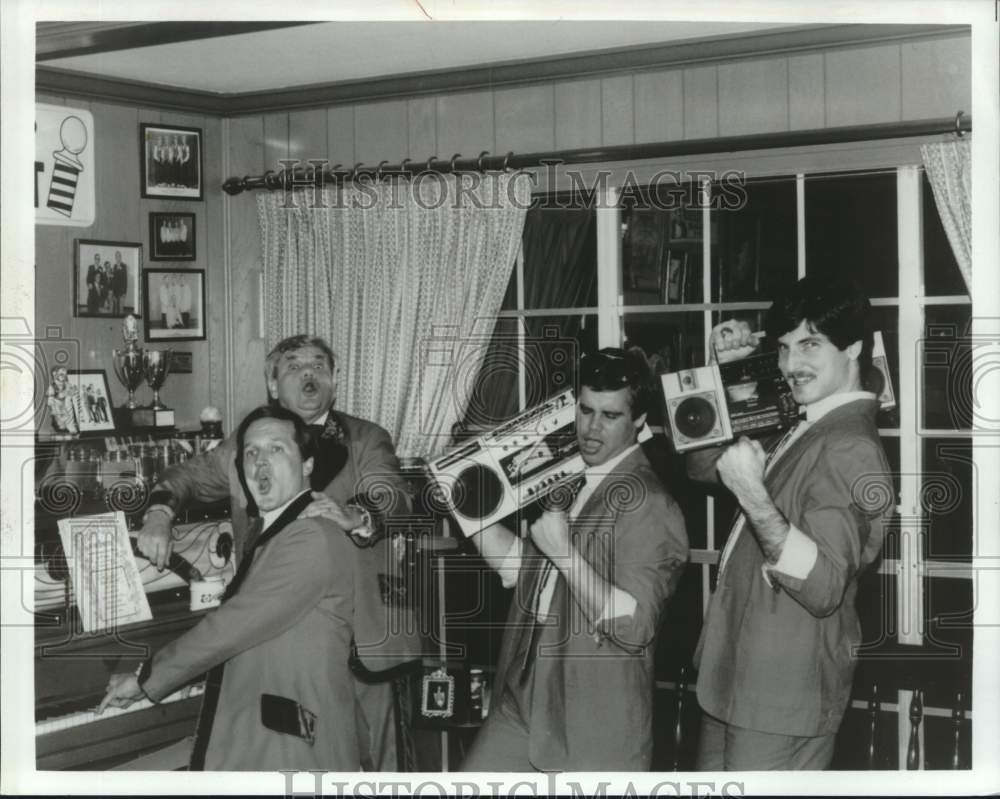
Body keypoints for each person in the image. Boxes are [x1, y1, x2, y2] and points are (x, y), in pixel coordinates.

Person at [136, 334, 418, 770]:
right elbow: (184, 476)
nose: (308, 375)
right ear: (272, 384)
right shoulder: (244, 446)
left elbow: (394, 496)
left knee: (382, 769)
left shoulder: (365, 438)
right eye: (293, 367)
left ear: (335, 379)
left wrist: (357, 514)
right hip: (281, 640)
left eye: (319, 366)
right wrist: (158, 513)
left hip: (365, 640)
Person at [688, 275, 894, 770]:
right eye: (782, 348)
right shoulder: (808, 424)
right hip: (738, 681)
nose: (790, 365)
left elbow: (822, 585)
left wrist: (754, 496)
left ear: (854, 348)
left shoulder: (849, 445)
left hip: (780, 699)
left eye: (809, 345)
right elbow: (699, 468)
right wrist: (725, 374)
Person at [459, 348, 689, 772]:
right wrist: (472, 512)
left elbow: (634, 626)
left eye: (610, 415)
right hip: (522, 699)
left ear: (638, 421)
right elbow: (530, 575)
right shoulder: (578, 474)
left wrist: (563, 552)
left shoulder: (650, 503)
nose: (591, 428)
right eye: (585, 410)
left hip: (589, 720)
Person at [99, 406, 362, 770]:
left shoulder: (309, 536)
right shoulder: (277, 531)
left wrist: (147, 677)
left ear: (307, 465)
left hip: (293, 749)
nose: (261, 463)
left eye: (277, 449)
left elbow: (231, 627)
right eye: (252, 453)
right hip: (263, 732)